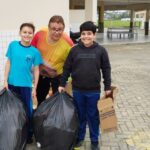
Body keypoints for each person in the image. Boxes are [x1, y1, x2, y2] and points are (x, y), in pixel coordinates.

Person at [58, 21, 111, 150]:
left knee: (93, 116)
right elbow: (66, 68)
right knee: (80, 115)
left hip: (93, 91)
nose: (86, 36)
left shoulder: (101, 51)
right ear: (80, 35)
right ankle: (80, 138)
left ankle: (94, 140)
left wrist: (108, 87)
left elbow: (106, 69)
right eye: (83, 34)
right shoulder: (74, 50)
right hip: (77, 90)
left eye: (89, 34)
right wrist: (62, 83)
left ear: (94, 35)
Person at [4, 23, 43, 144]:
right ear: (20, 33)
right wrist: (5, 80)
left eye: (30, 32)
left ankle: (29, 133)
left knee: (28, 111)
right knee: (13, 110)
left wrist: (34, 87)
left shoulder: (35, 52)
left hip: (26, 85)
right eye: (24, 32)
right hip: (12, 84)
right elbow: (8, 63)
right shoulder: (13, 46)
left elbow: (36, 70)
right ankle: (13, 133)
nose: (27, 34)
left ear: (33, 34)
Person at [31, 15, 74, 106]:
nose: (56, 32)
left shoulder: (68, 44)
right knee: (40, 99)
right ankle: (41, 117)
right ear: (49, 28)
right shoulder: (40, 34)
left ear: (63, 29)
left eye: (59, 29)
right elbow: (31, 52)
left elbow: (71, 64)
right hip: (41, 75)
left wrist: (69, 80)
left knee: (57, 101)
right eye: (53, 29)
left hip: (58, 76)